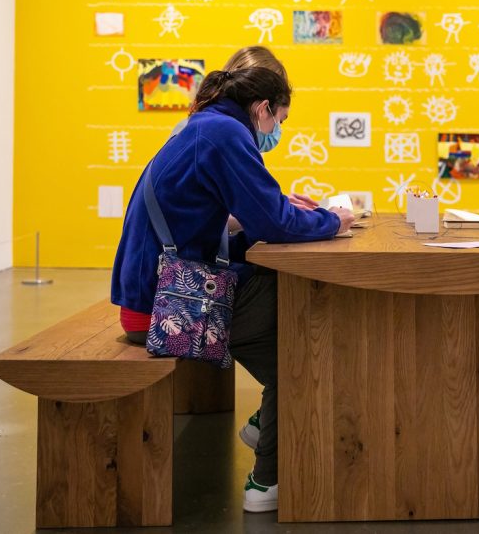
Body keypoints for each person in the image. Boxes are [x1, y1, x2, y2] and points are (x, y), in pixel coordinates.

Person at [110, 62, 354, 513]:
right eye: (279, 120)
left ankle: (266, 426)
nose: (276, 130)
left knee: (280, 294)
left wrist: (279, 214)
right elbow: (275, 221)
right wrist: (332, 220)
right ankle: (268, 480)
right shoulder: (227, 135)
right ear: (262, 108)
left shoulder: (202, 125)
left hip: (150, 292)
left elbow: (233, 215)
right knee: (304, 350)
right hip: (167, 308)